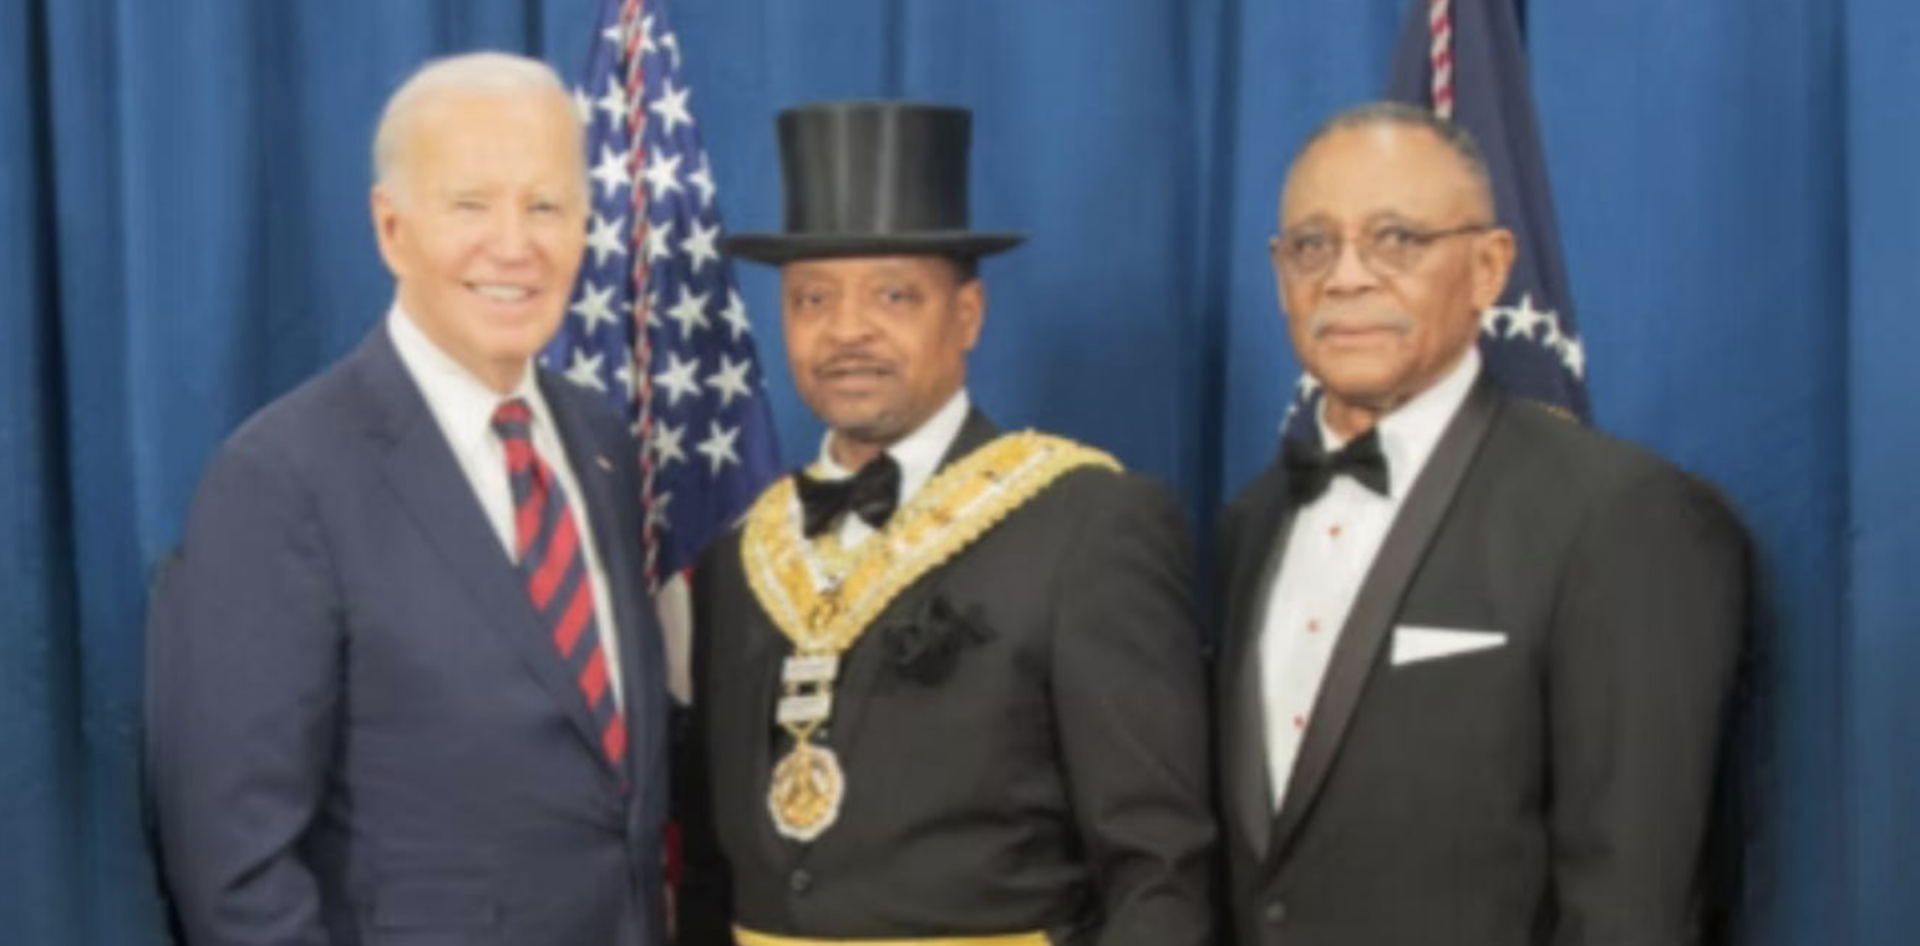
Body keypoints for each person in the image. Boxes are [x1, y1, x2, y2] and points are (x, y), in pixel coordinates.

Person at [146, 52, 669, 945]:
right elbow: (235, 870)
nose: (515, 245)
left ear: (587, 226)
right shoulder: (279, 479)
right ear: (393, 230)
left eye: (545, 206)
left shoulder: (601, 444)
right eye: (470, 205)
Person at [675, 101, 1216, 946]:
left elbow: (1160, 868)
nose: (847, 329)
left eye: (893, 294)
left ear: (966, 315)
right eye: (813, 298)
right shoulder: (738, 556)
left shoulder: (1087, 523)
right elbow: (711, 868)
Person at [1213, 101, 1749, 946]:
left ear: (1490, 267)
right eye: (1313, 246)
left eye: (1396, 239)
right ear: (1280, 272)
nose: (1346, 277)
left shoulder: (1622, 517)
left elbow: (1632, 900)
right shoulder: (1245, 526)